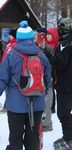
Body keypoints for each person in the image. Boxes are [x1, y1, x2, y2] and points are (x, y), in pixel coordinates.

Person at [0, 20, 51, 150]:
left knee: (16, 137)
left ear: (18, 39)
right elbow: (47, 80)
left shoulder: (11, 55)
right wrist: (42, 95)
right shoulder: (42, 55)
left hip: (16, 105)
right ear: (31, 38)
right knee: (33, 137)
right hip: (37, 104)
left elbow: (2, 79)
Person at [43, 17, 72, 150]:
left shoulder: (65, 43)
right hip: (67, 83)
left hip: (65, 85)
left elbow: (59, 64)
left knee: (63, 113)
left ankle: (69, 138)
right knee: (65, 112)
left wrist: (47, 54)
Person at [34, 27, 54, 132]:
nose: (34, 37)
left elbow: (50, 64)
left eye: (37, 35)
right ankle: (42, 122)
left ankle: (47, 124)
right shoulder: (35, 47)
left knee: (47, 102)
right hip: (38, 80)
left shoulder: (47, 48)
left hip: (47, 81)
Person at [0, 28, 17, 114]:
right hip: (6, 67)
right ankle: (8, 105)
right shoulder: (9, 44)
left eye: (10, 35)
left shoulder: (14, 45)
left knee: (9, 88)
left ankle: (7, 106)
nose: (9, 36)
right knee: (6, 87)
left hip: (10, 69)